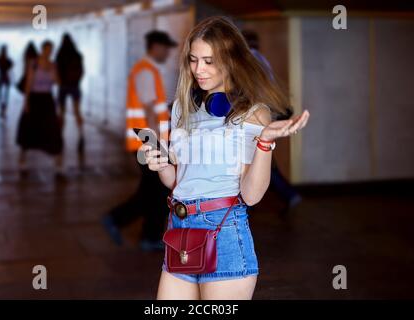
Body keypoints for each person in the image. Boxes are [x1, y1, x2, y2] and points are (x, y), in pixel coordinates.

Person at [141, 17, 310, 299]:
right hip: (180, 230)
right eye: (194, 60)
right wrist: (161, 165)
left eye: (209, 61)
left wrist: (264, 141)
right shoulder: (183, 109)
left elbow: (252, 196)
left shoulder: (254, 114)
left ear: (231, 61)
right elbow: (176, 180)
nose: (198, 69)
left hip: (223, 232)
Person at [102, 30, 177, 251]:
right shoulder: (145, 72)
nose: (167, 52)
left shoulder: (148, 70)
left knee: (151, 191)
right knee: (158, 191)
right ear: (155, 46)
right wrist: (156, 145)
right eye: (165, 47)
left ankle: (136, 229)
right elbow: (149, 110)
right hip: (148, 143)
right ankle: (143, 234)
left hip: (146, 142)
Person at [242, 30, 303, 213]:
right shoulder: (261, 59)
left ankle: (286, 195)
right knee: (262, 158)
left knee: (256, 159)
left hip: (255, 116)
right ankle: (289, 195)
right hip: (264, 114)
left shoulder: (250, 61)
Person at [16, 40, 63, 177]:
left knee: (54, 131)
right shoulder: (34, 64)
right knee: (28, 130)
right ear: (42, 50)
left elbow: (57, 83)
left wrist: (54, 72)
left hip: (47, 99)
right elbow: (29, 84)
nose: (49, 53)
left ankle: (58, 164)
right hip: (35, 99)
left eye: (51, 50)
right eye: (47, 50)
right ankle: (22, 161)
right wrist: (26, 102)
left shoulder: (53, 65)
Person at [55, 33, 85, 154]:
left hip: (63, 87)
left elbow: (56, 71)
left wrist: (59, 82)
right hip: (75, 86)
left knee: (61, 113)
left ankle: (60, 137)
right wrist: (76, 82)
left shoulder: (60, 54)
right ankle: (81, 134)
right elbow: (82, 71)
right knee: (77, 111)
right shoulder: (77, 55)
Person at [0, 45, 13, 118]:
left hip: (0, 77)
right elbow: (11, 65)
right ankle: (4, 108)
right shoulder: (8, 60)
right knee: (5, 95)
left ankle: (1, 108)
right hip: (6, 77)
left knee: (0, 94)